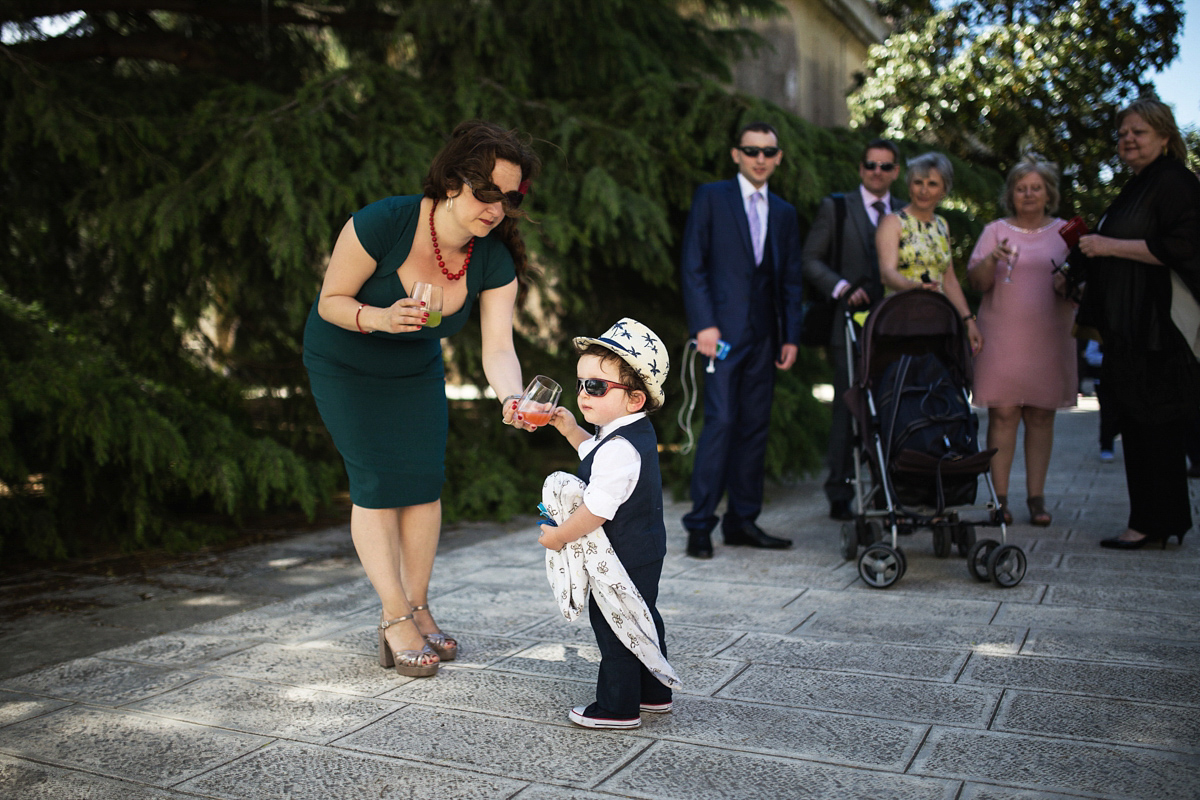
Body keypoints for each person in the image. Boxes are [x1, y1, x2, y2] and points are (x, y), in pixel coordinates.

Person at [302, 120, 541, 677]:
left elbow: (499, 349)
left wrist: (511, 399)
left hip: (414, 369)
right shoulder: (385, 221)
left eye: (509, 198)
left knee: (423, 483)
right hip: (346, 361)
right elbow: (330, 301)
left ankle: (420, 606)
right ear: (453, 181)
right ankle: (393, 619)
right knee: (378, 486)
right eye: (487, 193)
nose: (496, 208)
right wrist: (381, 317)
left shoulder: (493, 259)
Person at [1070, 98, 1200, 549]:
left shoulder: (1174, 182)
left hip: (1159, 332)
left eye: (1139, 131)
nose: (1127, 139)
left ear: (1165, 137)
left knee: (1155, 424)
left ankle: (1151, 523)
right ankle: (1157, 521)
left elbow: (1180, 248)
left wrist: (1106, 247)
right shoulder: (1139, 184)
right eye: (1123, 132)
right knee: (1143, 424)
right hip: (1133, 330)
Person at [539, 318, 673, 730]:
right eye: (580, 384)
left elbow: (596, 509)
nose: (582, 394)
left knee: (615, 623)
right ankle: (654, 693)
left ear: (634, 399)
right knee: (640, 614)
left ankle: (618, 707)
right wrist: (569, 428)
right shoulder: (624, 433)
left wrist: (559, 536)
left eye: (595, 387)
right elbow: (596, 455)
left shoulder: (620, 448)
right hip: (642, 548)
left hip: (624, 553)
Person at [679, 122, 805, 558]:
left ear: (778, 157)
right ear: (736, 154)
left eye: (768, 151)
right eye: (751, 150)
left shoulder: (785, 213)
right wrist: (704, 326)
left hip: (765, 339)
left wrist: (791, 334)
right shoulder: (712, 197)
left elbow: (790, 279)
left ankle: (742, 522)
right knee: (721, 424)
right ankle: (700, 524)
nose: (760, 158)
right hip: (721, 336)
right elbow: (693, 264)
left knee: (754, 428)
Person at [966, 156, 1076, 527]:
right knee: (1004, 412)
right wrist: (991, 261)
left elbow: (1085, 282)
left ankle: (1037, 498)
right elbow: (976, 284)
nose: (1028, 194)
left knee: (1042, 414)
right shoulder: (994, 230)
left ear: (1049, 193)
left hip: (1050, 332)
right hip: (1002, 333)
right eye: (1020, 188)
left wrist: (1071, 283)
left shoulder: (1066, 232)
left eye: (1036, 188)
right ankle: (999, 501)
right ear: (1010, 194)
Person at [802, 138, 900, 521]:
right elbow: (809, 259)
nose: (878, 172)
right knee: (848, 404)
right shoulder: (837, 207)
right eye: (871, 165)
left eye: (886, 166)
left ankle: (886, 487)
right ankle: (840, 490)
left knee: (889, 404)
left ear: (895, 172)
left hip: (894, 326)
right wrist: (841, 288)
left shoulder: (904, 212)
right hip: (849, 322)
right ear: (861, 169)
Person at [877, 152, 983, 357]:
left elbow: (949, 279)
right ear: (909, 186)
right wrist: (916, 288)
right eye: (918, 182)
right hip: (902, 319)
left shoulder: (942, 225)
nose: (924, 190)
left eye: (932, 184)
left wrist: (968, 321)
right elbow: (887, 274)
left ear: (944, 190)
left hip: (937, 320)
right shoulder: (893, 222)